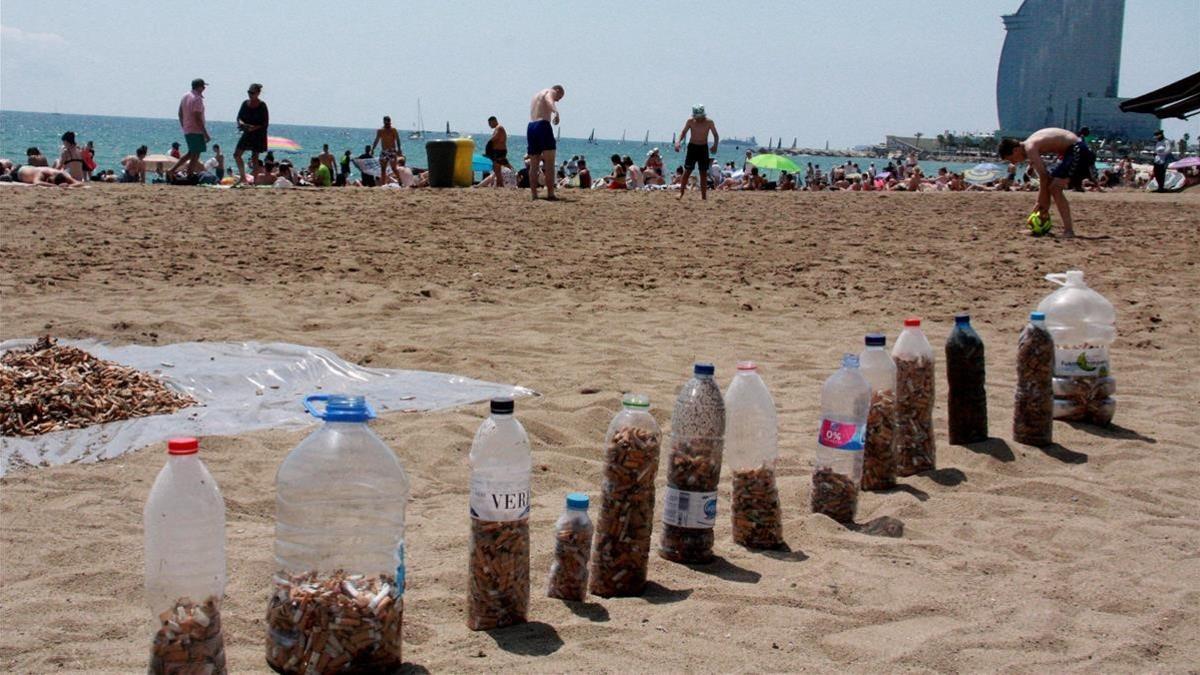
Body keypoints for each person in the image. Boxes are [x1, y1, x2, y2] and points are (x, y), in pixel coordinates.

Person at [998, 127, 1093, 237]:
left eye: (1011, 159)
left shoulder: (1030, 147)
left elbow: (1044, 177)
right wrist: (1040, 202)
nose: (1014, 162)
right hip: (1072, 151)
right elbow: (1044, 179)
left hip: (1077, 150)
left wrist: (1039, 202)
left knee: (1054, 187)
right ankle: (1039, 224)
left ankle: (1068, 231)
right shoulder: (1030, 144)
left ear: (1015, 150)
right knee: (1051, 187)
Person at [673, 104, 720, 200]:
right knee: (687, 171)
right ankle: (681, 193)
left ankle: (703, 196)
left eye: (700, 117)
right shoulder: (690, 121)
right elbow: (683, 132)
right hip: (692, 148)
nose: (699, 119)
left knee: (703, 172)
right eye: (697, 117)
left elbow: (715, 135)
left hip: (703, 148)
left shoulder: (709, 122)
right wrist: (678, 142)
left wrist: (715, 145)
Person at [527, 84, 564, 200]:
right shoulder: (549, 92)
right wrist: (556, 112)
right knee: (549, 162)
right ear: (557, 90)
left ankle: (534, 194)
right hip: (543, 125)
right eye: (559, 97)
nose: (558, 100)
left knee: (533, 164)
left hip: (531, 126)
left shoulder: (535, 96)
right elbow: (549, 100)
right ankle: (550, 194)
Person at [170, 78, 210, 177]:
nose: (204, 88)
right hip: (196, 130)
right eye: (203, 86)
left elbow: (180, 113)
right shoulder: (197, 98)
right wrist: (205, 134)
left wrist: (184, 126)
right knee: (196, 153)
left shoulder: (185, 96)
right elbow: (197, 117)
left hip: (188, 129)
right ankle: (189, 174)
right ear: (199, 87)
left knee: (191, 153)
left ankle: (173, 169)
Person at [234, 83, 269, 183]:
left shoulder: (262, 105)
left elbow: (264, 123)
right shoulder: (245, 103)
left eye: (252, 93)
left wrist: (253, 128)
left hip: (258, 134)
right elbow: (239, 117)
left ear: (258, 93)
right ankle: (243, 177)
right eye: (249, 92)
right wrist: (242, 124)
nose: (250, 94)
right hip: (247, 132)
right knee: (237, 154)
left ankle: (256, 180)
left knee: (255, 157)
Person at [2, 160, 82, 186]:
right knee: (4, 170)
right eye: (49, 180)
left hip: (26, 169)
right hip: (16, 172)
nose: (47, 181)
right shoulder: (43, 172)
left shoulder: (64, 175)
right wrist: (55, 186)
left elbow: (79, 183)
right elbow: (37, 182)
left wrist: (68, 185)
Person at [373, 116, 402, 186]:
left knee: (393, 168)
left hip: (392, 151)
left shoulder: (393, 130)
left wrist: (399, 149)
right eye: (386, 122)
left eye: (389, 122)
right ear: (384, 122)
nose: (388, 124)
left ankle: (400, 181)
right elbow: (376, 140)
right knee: (383, 169)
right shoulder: (380, 131)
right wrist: (372, 149)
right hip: (384, 151)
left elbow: (397, 139)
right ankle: (383, 184)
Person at [485, 116, 509, 189]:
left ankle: (501, 184)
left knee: (498, 167)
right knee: (497, 169)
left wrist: (488, 143)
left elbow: (495, 137)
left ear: (494, 121)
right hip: (497, 151)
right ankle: (500, 184)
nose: (489, 125)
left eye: (490, 123)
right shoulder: (496, 128)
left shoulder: (499, 128)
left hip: (500, 151)